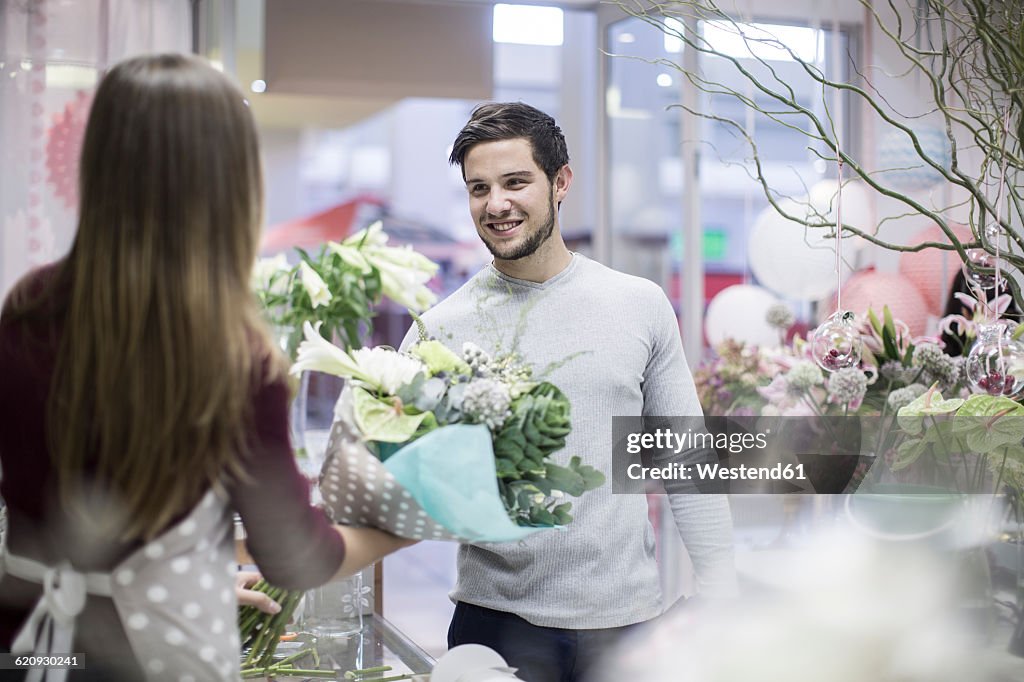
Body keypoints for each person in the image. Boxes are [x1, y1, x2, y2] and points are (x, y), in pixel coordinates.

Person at [0, 53, 411, 681]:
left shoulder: (28, 306)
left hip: (32, 645)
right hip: (150, 661)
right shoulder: (230, 354)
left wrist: (188, 571)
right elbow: (295, 558)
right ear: (232, 183)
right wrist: (410, 529)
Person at [402, 102, 737, 682]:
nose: (496, 204)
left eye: (515, 182)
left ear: (561, 182)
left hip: (626, 622)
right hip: (493, 626)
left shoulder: (639, 305)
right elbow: (409, 481)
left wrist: (723, 594)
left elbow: (686, 458)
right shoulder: (440, 331)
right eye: (478, 188)